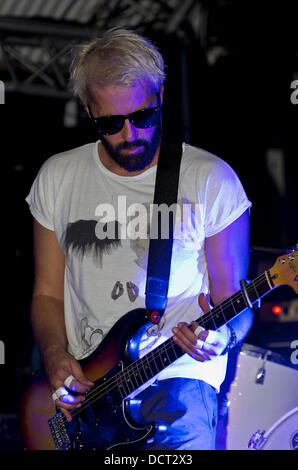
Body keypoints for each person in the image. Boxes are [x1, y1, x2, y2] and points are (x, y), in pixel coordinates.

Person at [25, 27, 253, 450]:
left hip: (179, 383)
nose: (130, 136)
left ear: (160, 96)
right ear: (88, 109)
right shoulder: (57, 177)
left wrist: (222, 337)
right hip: (87, 393)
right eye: (110, 123)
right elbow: (47, 294)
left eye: (142, 117)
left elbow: (233, 302)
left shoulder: (210, 180)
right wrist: (57, 356)